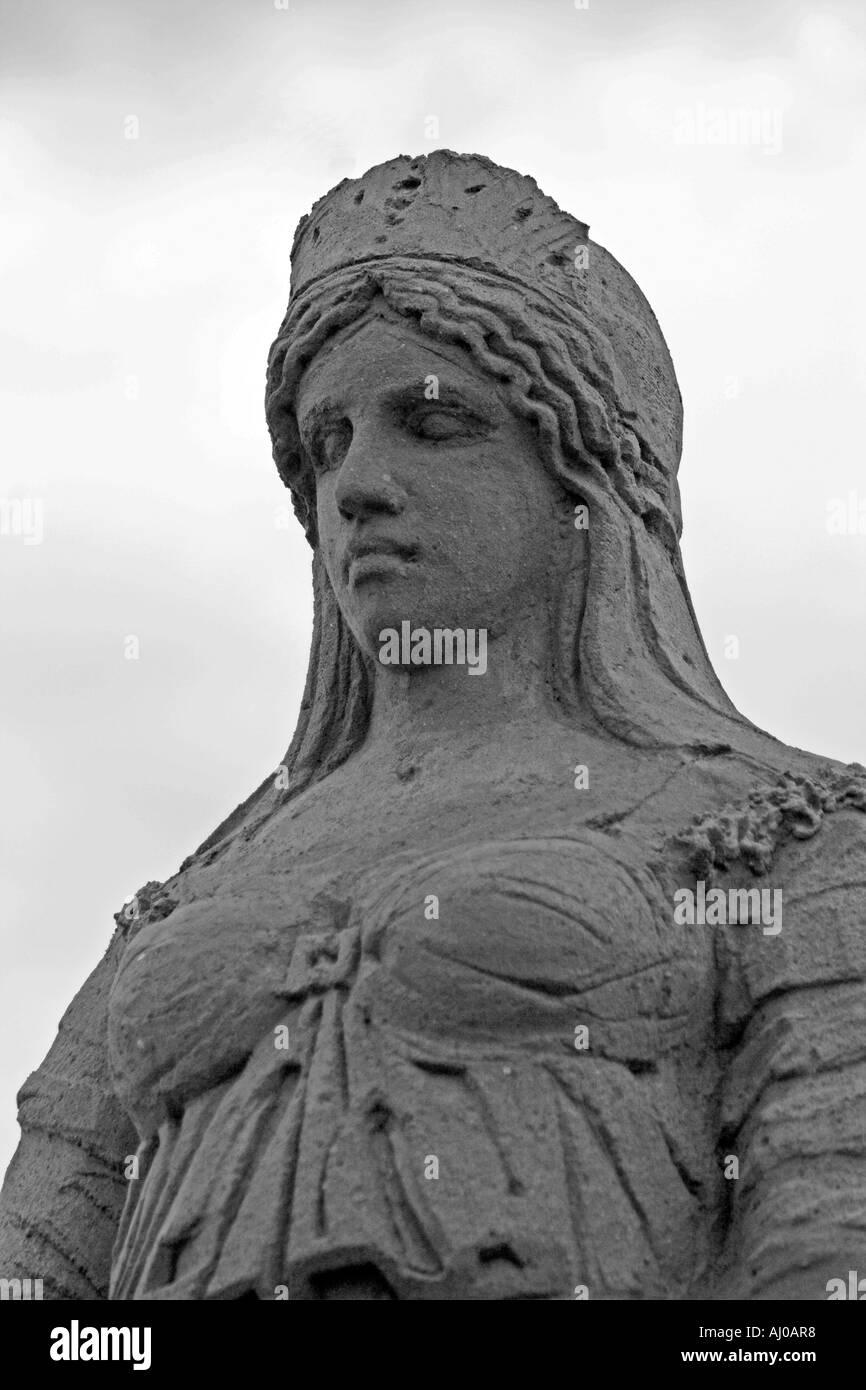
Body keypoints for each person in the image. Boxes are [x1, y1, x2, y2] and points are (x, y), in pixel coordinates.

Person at [2, 151, 864, 1300]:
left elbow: (823, 1253)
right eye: (326, 443)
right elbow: (34, 1270)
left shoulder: (783, 836)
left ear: (583, 472)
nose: (353, 484)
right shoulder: (200, 888)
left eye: (432, 422)